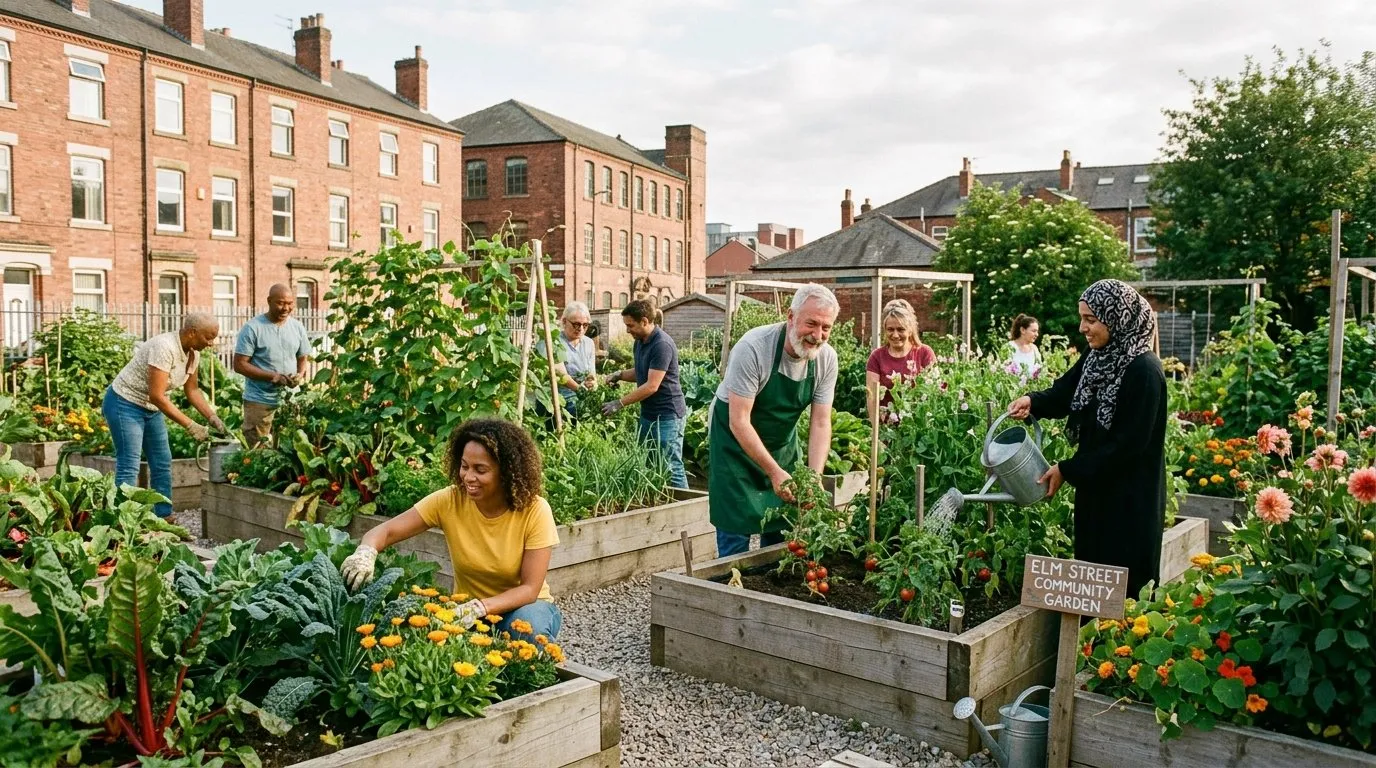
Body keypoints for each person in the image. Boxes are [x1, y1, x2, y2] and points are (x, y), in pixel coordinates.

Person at [1006, 279, 1166, 597]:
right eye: (1082, 318)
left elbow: (1127, 446)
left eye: (1091, 319)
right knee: (1093, 579)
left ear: (1116, 318)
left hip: (1130, 500)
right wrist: (1033, 401)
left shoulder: (1144, 372)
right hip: (1096, 491)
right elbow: (1066, 391)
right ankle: (1089, 644)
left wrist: (1068, 468)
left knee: (1125, 588)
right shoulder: (1099, 356)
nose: (1082, 327)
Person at [339, 418, 562, 640]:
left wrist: (480, 607)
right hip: (465, 613)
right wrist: (366, 552)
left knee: (525, 629)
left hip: (525, 608)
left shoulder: (534, 510)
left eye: (480, 470)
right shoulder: (450, 501)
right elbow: (385, 532)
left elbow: (530, 589)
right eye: (465, 466)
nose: (468, 477)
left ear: (506, 472)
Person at [709, 284, 840, 557]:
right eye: (811, 324)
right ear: (791, 317)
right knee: (735, 533)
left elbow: (820, 422)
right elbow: (739, 420)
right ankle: (730, 594)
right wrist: (773, 471)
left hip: (781, 445)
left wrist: (814, 475)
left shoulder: (826, 359)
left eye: (826, 328)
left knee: (782, 533)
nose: (817, 336)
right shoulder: (755, 348)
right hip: (734, 444)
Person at [103, 314, 226, 518]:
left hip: (150, 408)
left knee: (162, 462)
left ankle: (164, 517)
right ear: (192, 332)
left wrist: (212, 418)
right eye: (208, 337)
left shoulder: (194, 354)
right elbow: (157, 396)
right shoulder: (164, 347)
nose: (211, 343)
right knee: (129, 464)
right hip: (124, 403)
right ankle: (119, 521)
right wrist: (191, 425)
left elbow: (192, 391)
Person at [602, 300, 688, 489]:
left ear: (644, 321)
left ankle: (686, 511)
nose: (627, 330)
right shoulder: (640, 342)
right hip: (649, 414)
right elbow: (642, 372)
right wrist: (619, 375)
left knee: (671, 466)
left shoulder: (662, 344)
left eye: (630, 325)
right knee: (651, 463)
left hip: (668, 415)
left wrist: (619, 403)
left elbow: (652, 385)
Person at [233, 284, 313, 447]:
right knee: (258, 450)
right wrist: (273, 376)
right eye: (281, 303)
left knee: (291, 448)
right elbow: (240, 365)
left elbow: (303, 357)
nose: (286, 308)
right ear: (269, 301)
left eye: (290, 303)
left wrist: (300, 374)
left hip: (290, 400)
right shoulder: (252, 328)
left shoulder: (297, 327)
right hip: (259, 400)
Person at [865, 299, 936, 422]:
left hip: (918, 425)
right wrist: (876, 430)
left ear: (910, 330)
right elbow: (872, 398)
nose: (895, 335)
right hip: (887, 426)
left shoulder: (924, 353)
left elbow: (934, 391)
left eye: (900, 329)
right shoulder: (877, 357)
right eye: (890, 329)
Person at [535, 302, 598, 419]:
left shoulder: (588, 343)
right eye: (576, 324)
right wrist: (580, 390)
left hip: (578, 399)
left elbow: (591, 371)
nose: (581, 329)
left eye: (585, 325)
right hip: (553, 400)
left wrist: (591, 382)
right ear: (564, 322)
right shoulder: (552, 342)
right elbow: (561, 375)